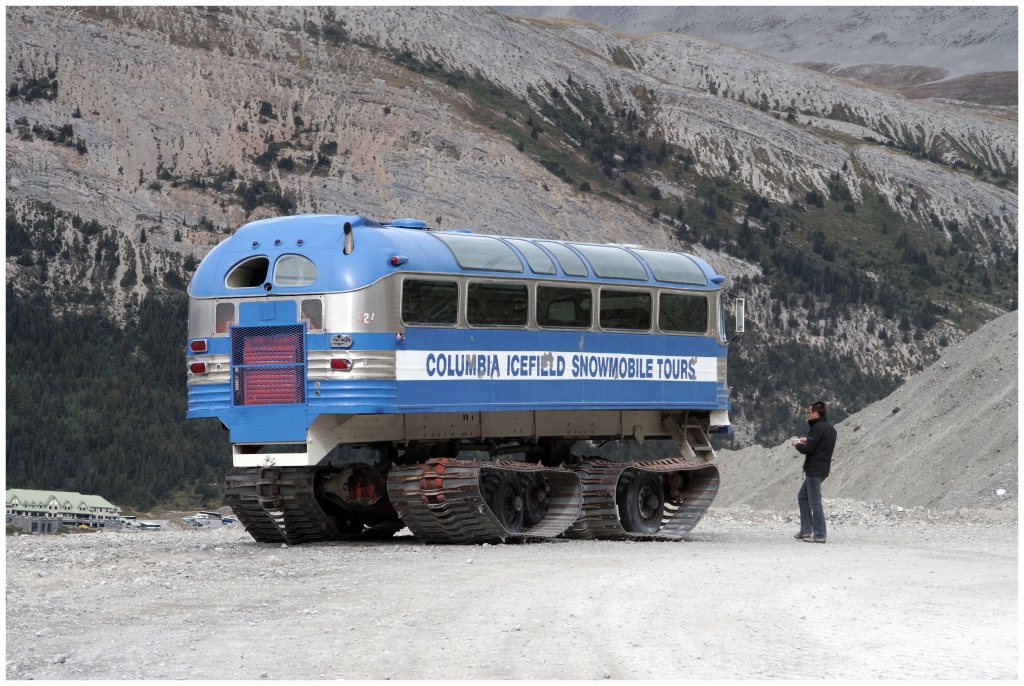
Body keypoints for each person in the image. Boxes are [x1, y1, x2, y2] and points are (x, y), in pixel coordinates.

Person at [790, 400, 837, 543]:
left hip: (814, 469)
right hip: (823, 468)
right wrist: (808, 441)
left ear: (815, 413)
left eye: (809, 412)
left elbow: (808, 450)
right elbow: (820, 446)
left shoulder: (816, 428)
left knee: (815, 501)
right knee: (803, 497)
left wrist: (798, 444)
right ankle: (805, 531)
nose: (808, 415)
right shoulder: (831, 429)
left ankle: (820, 534)